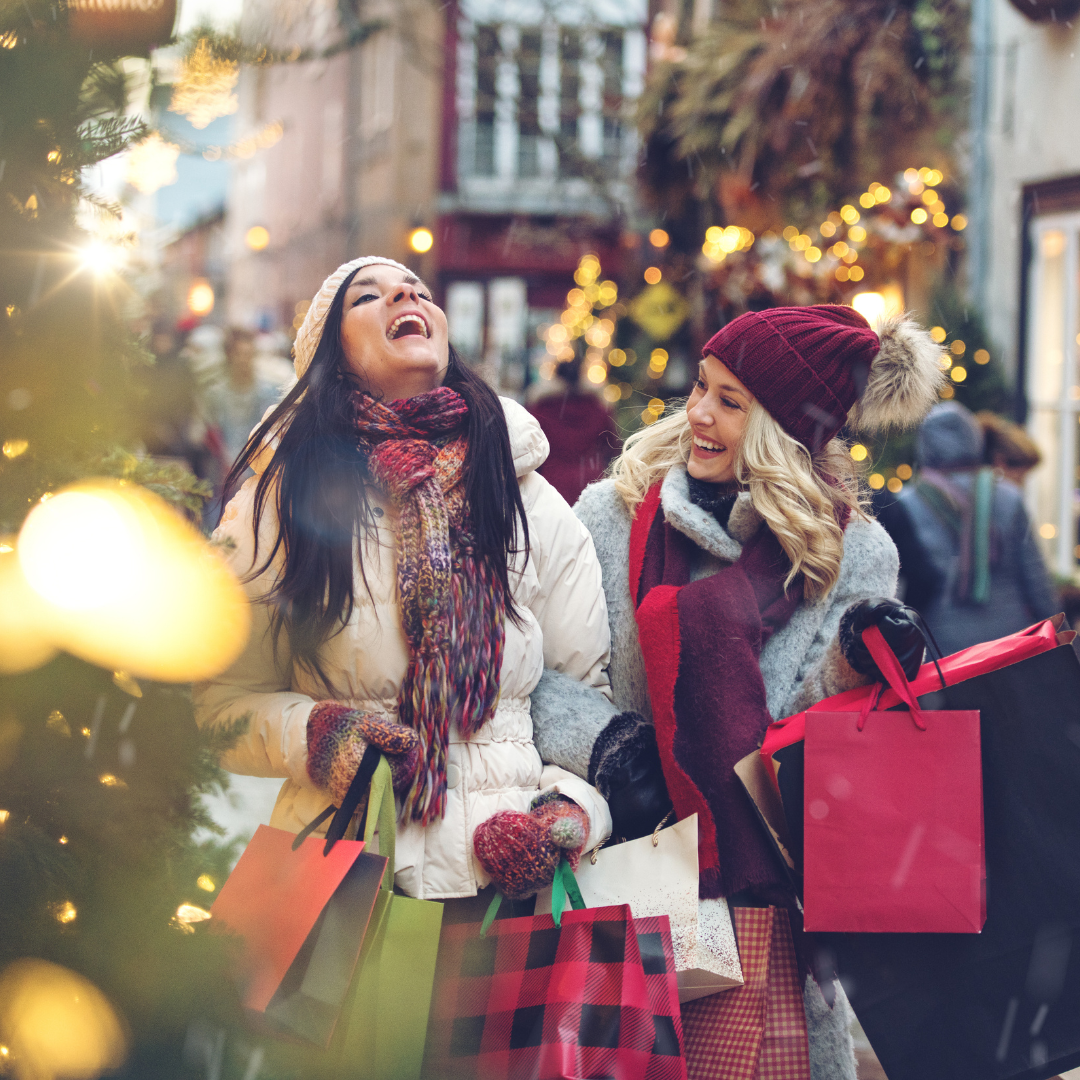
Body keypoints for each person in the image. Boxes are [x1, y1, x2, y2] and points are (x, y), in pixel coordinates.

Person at [529, 305, 946, 1080]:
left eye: (730, 401)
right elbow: (540, 674)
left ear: (783, 428)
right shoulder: (612, 518)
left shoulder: (854, 553)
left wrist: (854, 671)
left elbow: (817, 745)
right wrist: (612, 748)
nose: (697, 415)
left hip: (769, 909)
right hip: (625, 875)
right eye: (701, 388)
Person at [193, 256, 612, 906]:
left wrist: (569, 813)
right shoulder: (282, 498)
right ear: (330, 354)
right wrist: (317, 735)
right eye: (369, 296)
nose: (404, 295)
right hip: (343, 879)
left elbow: (585, 701)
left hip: (506, 894)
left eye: (417, 290)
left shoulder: (524, 492)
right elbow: (218, 701)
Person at [890, 401, 1058, 656]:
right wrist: (1057, 635)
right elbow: (1035, 581)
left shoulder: (906, 503)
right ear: (974, 439)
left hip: (941, 645)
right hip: (1012, 643)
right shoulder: (1009, 497)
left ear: (924, 445)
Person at [528, 355, 620, 505]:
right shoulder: (597, 407)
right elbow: (612, 446)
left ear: (556, 377)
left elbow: (529, 448)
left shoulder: (541, 409)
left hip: (552, 482)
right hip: (590, 483)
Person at [200, 327, 284, 482]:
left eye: (248, 354)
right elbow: (212, 434)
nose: (243, 359)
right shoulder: (215, 394)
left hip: (257, 476)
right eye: (239, 354)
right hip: (222, 477)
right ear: (229, 355)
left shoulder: (267, 393)